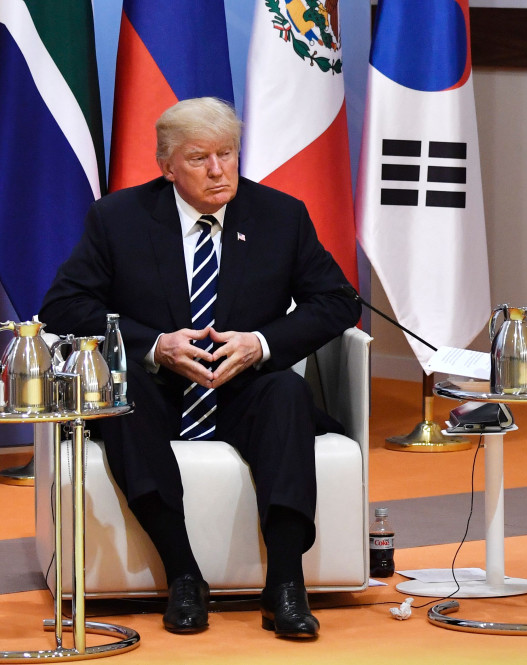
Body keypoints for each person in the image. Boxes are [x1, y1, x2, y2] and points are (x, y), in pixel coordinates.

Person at [40, 97, 360, 638]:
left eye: (227, 154)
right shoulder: (118, 218)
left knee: (286, 393)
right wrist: (155, 345)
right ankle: (185, 575)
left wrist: (260, 343)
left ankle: (285, 581)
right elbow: (64, 306)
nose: (217, 171)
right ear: (167, 166)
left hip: (244, 390)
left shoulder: (279, 215)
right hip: (159, 391)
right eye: (198, 158)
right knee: (126, 396)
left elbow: (337, 301)